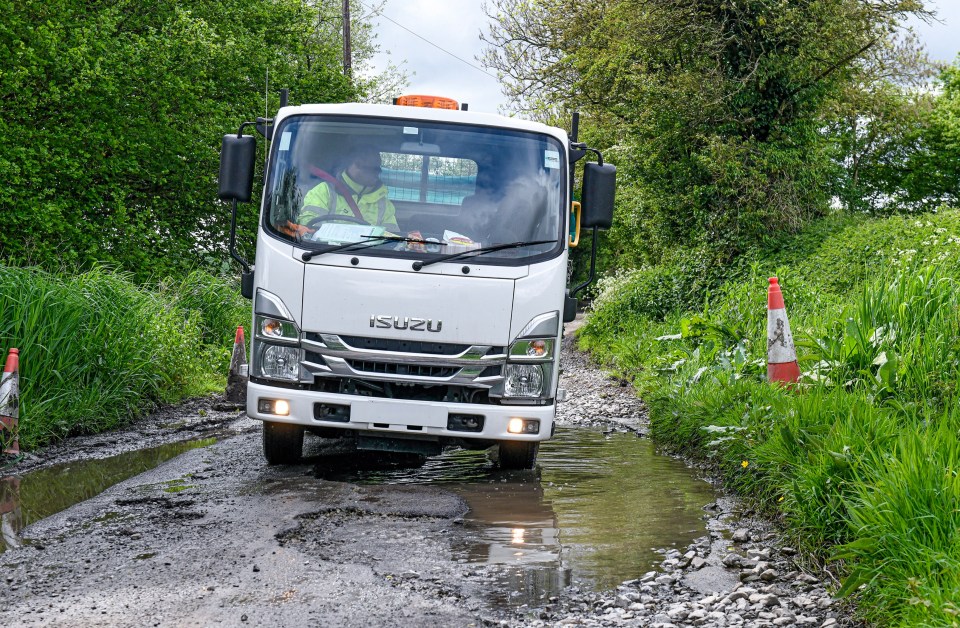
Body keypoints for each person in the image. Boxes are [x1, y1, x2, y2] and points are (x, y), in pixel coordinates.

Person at [299, 144, 400, 233]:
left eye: (379, 169)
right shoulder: (324, 191)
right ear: (357, 165)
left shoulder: (384, 204)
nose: (378, 173)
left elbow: (391, 238)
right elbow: (309, 226)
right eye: (374, 169)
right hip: (324, 252)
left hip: (369, 254)